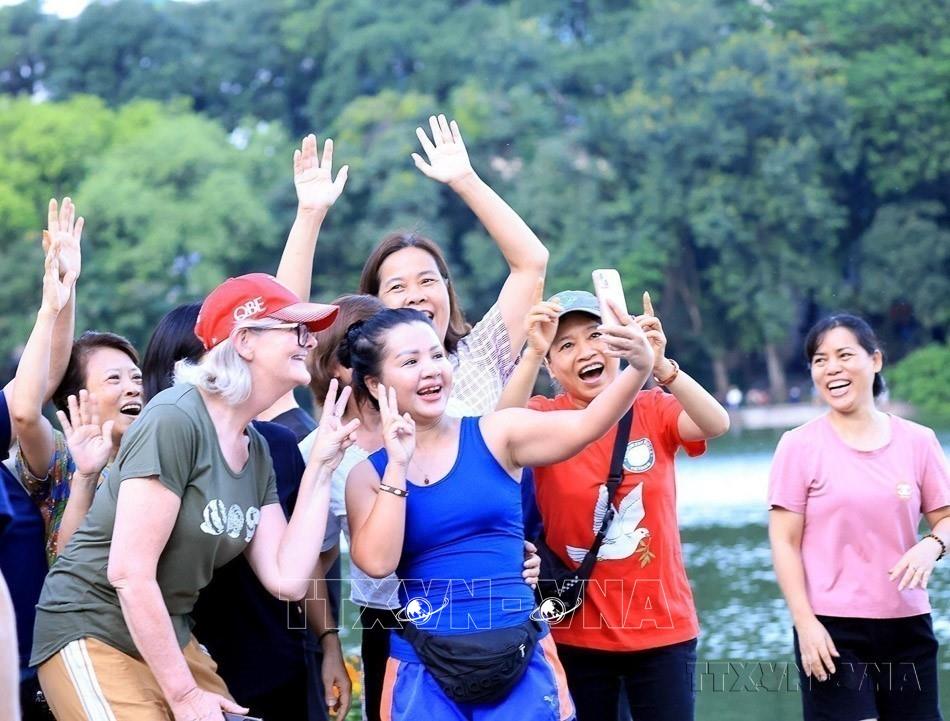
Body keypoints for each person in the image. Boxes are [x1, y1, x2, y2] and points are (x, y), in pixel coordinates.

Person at [30, 273, 358, 721]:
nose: (311, 342)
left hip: (166, 631)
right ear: (244, 341)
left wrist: (322, 467)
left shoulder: (255, 448)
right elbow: (129, 573)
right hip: (92, 627)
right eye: (296, 330)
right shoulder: (174, 418)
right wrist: (185, 696)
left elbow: (287, 578)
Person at [344, 303, 655, 720]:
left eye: (437, 355)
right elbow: (378, 563)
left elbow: (586, 425)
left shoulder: (496, 433)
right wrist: (398, 464)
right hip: (424, 669)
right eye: (410, 362)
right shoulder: (368, 475)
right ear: (374, 382)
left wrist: (639, 367)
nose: (430, 370)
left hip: (520, 657)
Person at [303, 294, 542, 721]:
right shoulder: (322, 454)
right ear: (344, 368)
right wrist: (330, 644)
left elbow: (492, 490)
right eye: (352, 347)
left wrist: (515, 556)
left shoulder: (451, 417)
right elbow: (313, 564)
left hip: (483, 619)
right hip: (388, 623)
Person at [499, 288, 730, 721]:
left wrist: (659, 364)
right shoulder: (545, 417)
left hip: (663, 629)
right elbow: (497, 433)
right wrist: (530, 353)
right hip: (577, 633)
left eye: (596, 336)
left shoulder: (652, 408)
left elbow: (715, 423)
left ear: (619, 344)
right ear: (551, 366)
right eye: (565, 345)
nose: (586, 351)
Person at [140, 302, 351, 720]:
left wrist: (328, 640)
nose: (307, 343)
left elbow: (295, 569)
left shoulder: (268, 447)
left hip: (275, 659)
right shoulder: (164, 433)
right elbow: (129, 573)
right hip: (179, 658)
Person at [278, 114, 549, 418]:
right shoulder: (365, 381)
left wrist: (465, 180)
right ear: (374, 304)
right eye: (397, 287)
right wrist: (309, 215)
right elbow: (285, 325)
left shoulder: (481, 355)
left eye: (427, 281)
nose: (416, 295)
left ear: (447, 289)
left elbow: (531, 262)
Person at [769, 313, 950, 721]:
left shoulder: (919, 441)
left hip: (908, 624)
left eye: (844, 355)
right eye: (820, 360)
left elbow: (945, 519)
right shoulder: (798, 446)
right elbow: (784, 542)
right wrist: (805, 624)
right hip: (832, 630)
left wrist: (932, 545)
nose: (832, 368)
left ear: (876, 360)